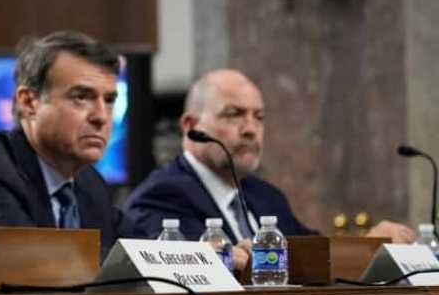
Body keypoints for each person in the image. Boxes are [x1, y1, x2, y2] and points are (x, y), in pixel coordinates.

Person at [122, 69, 415, 264]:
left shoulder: (266, 196)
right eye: (234, 114)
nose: (250, 129)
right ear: (190, 125)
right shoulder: (161, 196)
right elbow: (195, 272)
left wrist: (370, 246)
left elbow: (315, 257)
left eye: (259, 117)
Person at [0, 31, 133, 257]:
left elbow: (137, 254)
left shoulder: (90, 183)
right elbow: (19, 260)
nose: (101, 116)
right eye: (81, 97)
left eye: (109, 100)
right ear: (29, 102)